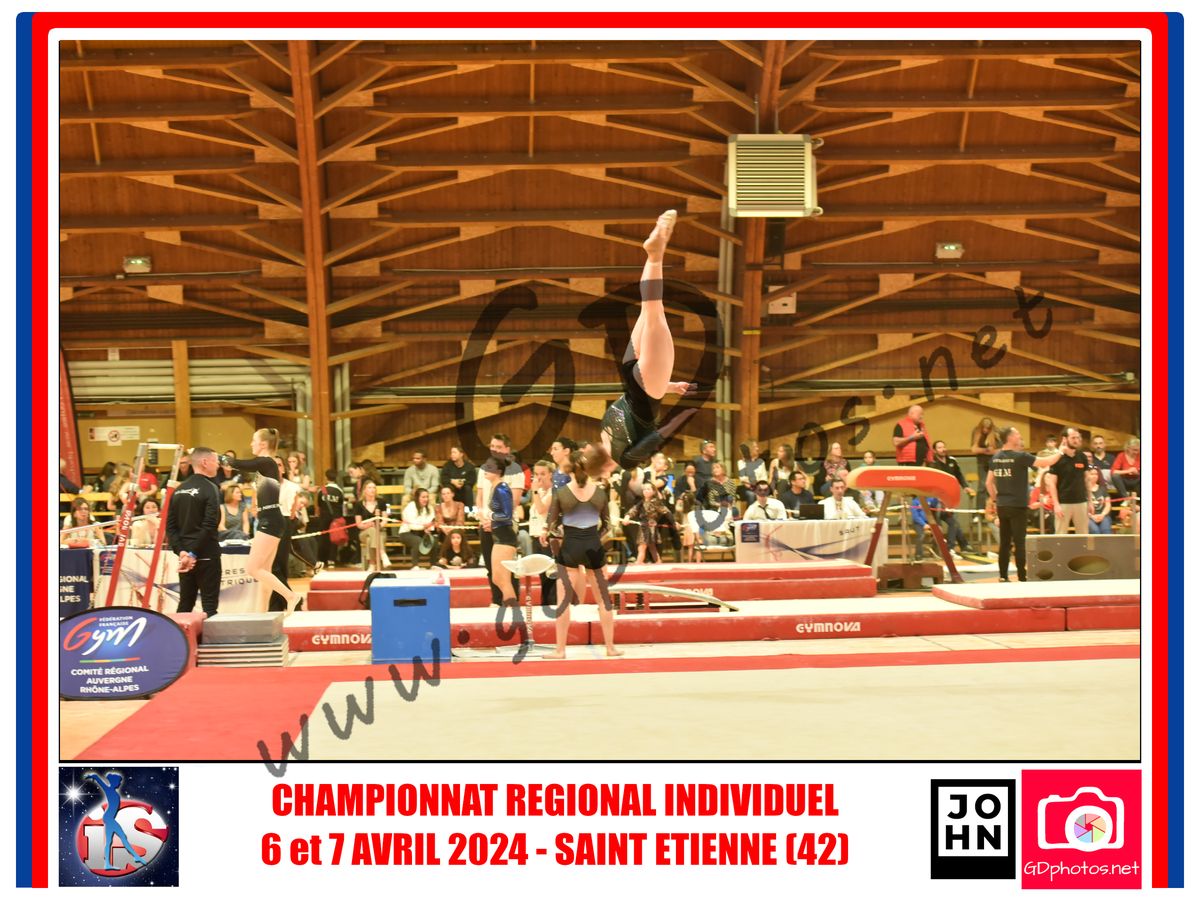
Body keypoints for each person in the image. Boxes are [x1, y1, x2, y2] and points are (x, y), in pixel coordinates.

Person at [583, 211, 700, 480]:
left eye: (603, 476)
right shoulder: (603, 429)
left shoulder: (624, 460)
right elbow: (631, 404)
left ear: (605, 468)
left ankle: (655, 255)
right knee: (649, 308)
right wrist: (672, 387)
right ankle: (654, 255)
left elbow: (656, 437)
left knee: (655, 309)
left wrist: (682, 416)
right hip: (630, 374)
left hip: (648, 390)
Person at [542, 450, 622, 659]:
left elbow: (552, 526)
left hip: (570, 546)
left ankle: (560, 650)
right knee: (603, 601)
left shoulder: (562, 493)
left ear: (569, 469)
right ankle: (610, 647)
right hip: (593, 546)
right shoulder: (600, 493)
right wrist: (593, 537)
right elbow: (607, 526)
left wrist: (560, 535)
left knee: (563, 602)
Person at [222, 429, 303, 611]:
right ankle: (262, 613)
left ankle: (291, 596)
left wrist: (214, 457)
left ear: (263, 444)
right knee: (264, 572)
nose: (251, 444)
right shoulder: (266, 465)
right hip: (270, 518)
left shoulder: (266, 462)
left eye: (253, 440)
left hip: (270, 520)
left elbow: (236, 463)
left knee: (252, 569)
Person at [986, 426, 1066, 582]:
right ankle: (1022, 576)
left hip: (1002, 505)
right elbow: (1047, 461)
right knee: (1019, 542)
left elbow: (989, 483)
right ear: (1010, 438)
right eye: (1017, 434)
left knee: (1004, 542)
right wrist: (1061, 451)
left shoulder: (995, 458)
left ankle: (1003, 576)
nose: (1019, 436)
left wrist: (997, 499)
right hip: (1017, 506)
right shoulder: (1020, 457)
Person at [166, 447, 223, 617]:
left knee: (185, 604)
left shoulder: (179, 490)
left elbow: (170, 526)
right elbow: (210, 524)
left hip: (185, 558)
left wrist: (182, 552)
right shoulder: (211, 488)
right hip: (205, 554)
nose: (218, 465)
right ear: (205, 462)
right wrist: (192, 553)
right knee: (209, 607)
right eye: (216, 461)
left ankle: (178, 635)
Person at [475, 435, 524, 603]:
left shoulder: (511, 475)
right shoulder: (487, 472)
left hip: (504, 527)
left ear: (507, 449)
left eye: (498, 446)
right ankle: (498, 601)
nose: (494, 449)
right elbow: (479, 498)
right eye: (492, 446)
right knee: (493, 570)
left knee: (506, 571)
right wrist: (482, 517)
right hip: (488, 523)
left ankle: (512, 603)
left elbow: (512, 504)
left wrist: (492, 520)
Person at [480, 455, 519, 608]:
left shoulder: (502, 488)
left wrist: (491, 517)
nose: (485, 469)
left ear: (498, 471)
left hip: (505, 537)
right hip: (500, 535)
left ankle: (513, 609)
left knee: (502, 579)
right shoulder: (495, 487)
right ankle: (510, 606)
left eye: (489, 467)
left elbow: (507, 515)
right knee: (497, 578)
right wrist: (492, 522)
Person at [929, 440, 975, 552]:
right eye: (939, 448)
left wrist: (965, 487)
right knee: (942, 524)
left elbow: (959, 475)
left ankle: (955, 546)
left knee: (953, 522)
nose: (942, 449)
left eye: (943, 447)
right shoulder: (932, 463)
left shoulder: (952, 461)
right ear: (934, 450)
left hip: (950, 496)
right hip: (936, 499)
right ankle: (959, 545)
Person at [1045, 427, 1089, 535]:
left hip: (1081, 502)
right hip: (1063, 503)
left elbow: (1087, 480)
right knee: (1060, 536)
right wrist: (1056, 504)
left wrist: (1090, 502)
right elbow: (1052, 484)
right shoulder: (1057, 458)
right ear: (1065, 439)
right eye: (1073, 438)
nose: (1076, 440)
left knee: (1083, 536)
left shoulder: (1082, 457)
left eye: (1078, 437)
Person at [623, 480, 671, 563]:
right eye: (644, 489)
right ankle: (658, 561)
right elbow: (634, 510)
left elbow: (666, 512)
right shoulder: (642, 502)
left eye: (648, 489)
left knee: (642, 547)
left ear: (653, 491)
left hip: (650, 526)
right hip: (644, 526)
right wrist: (627, 516)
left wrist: (673, 522)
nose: (646, 491)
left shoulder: (656, 502)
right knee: (651, 547)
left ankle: (639, 562)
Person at [910, 496, 964, 560]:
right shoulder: (915, 501)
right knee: (921, 535)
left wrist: (942, 501)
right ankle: (918, 555)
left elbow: (936, 507)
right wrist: (923, 524)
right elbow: (915, 516)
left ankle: (936, 551)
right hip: (918, 523)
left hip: (929, 521)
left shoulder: (931, 499)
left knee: (939, 531)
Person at [352, 480, 389, 571]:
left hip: (380, 531)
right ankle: (383, 554)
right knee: (371, 531)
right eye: (369, 488)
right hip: (364, 532)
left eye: (374, 488)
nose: (372, 490)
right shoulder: (359, 504)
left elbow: (385, 519)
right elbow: (359, 524)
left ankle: (372, 564)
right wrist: (368, 525)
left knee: (370, 539)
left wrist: (379, 526)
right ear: (364, 490)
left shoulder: (381, 502)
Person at [398, 487, 438, 567]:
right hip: (407, 533)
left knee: (434, 540)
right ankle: (415, 566)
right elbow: (412, 525)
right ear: (417, 498)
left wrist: (428, 527)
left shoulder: (429, 507)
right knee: (417, 541)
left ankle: (433, 565)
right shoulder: (411, 507)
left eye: (427, 497)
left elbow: (431, 522)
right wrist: (425, 526)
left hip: (422, 532)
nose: (425, 499)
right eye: (423, 497)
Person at [314, 469, 345, 568]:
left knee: (323, 538)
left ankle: (321, 559)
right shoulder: (339, 491)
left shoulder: (322, 490)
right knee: (334, 538)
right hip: (336, 518)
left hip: (324, 518)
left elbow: (319, 505)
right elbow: (341, 505)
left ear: (326, 477)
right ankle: (331, 560)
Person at [969, 417, 1001, 505]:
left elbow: (1000, 450)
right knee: (982, 486)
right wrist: (987, 450)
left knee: (994, 485)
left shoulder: (996, 432)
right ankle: (979, 510)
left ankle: (995, 506)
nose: (985, 430)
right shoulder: (976, 432)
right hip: (981, 462)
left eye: (988, 429)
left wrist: (985, 451)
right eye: (984, 428)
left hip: (994, 462)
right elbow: (974, 449)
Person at [1086, 468, 1113, 534]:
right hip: (1088, 516)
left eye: (1096, 474)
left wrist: (1102, 515)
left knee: (1105, 530)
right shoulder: (1083, 490)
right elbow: (1081, 508)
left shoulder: (1103, 488)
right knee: (1095, 531)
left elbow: (1108, 505)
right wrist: (1092, 516)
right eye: (1092, 474)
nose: (1094, 476)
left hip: (1102, 515)